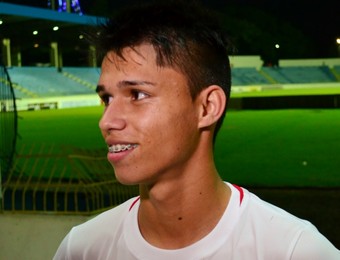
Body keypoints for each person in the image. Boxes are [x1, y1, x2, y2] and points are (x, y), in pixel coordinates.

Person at [54, 1, 339, 259]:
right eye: (106, 99)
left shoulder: (295, 251)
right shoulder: (81, 248)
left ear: (207, 107)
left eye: (137, 95)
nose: (107, 121)